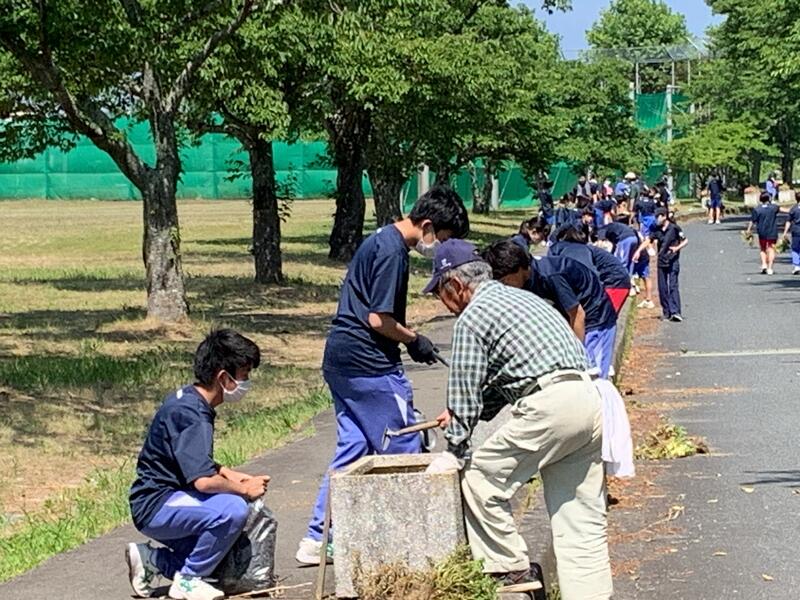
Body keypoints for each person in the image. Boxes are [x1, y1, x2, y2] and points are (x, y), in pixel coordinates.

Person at [423, 240, 612, 600]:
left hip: (550, 407)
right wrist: (472, 411)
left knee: (480, 477)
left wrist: (455, 447)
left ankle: (509, 568)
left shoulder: (473, 317)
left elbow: (465, 384)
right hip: (588, 398)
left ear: (456, 286)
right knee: (580, 521)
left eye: (439, 293)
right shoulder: (525, 300)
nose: (441, 303)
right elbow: (510, 377)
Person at [296, 185, 469, 565]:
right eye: (442, 239)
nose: (439, 248)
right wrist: (414, 339)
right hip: (370, 366)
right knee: (403, 446)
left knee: (353, 449)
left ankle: (318, 538)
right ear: (427, 226)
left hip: (340, 360)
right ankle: (414, 543)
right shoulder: (393, 252)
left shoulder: (380, 239)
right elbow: (379, 319)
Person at [126, 329, 268, 600]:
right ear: (223, 378)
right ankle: (189, 580)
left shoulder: (188, 399)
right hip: (156, 506)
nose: (246, 382)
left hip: (164, 501)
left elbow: (191, 458)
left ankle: (151, 559)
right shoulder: (193, 415)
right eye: (244, 374)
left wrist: (229, 474)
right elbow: (203, 481)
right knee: (232, 510)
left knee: (220, 560)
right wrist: (244, 490)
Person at [483, 240, 618, 379]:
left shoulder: (552, 276)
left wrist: (576, 355)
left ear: (518, 269)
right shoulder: (526, 278)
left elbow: (578, 315)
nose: (504, 286)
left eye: (505, 281)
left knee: (592, 374)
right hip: (567, 315)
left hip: (595, 318)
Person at [549, 226, 632, 314]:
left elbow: (589, 274)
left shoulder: (574, 250)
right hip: (611, 281)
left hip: (615, 283)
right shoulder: (574, 249)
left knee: (600, 317)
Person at [644, 208, 688, 322]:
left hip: (673, 260)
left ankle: (675, 311)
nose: (656, 219)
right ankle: (666, 312)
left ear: (664, 216)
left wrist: (677, 248)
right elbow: (648, 240)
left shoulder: (674, 228)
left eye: (658, 217)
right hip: (661, 261)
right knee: (662, 287)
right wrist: (643, 250)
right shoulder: (656, 229)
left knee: (673, 285)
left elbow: (685, 240)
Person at [746, 192, 781, 275]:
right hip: (772, 231)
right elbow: (779, 208)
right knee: (771, 249)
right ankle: (770, 268)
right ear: (769, 199)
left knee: (763, 248)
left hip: (761, 231)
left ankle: (764, 264)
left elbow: (752, 220)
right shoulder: (773, 208)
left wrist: (748, 230)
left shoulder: (757, 209)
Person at [782, 191, 800, 275]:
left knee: (795, 248)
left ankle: (797, 266)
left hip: (796, 230)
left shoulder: (793, 209)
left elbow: (788, 221)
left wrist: (785, 232)